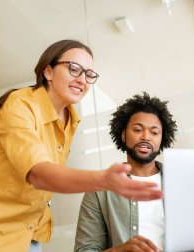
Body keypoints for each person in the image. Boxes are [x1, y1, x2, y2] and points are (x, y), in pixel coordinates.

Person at [0, 40, 162, 252]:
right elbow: (38, 174)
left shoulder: (70, 119)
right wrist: (103, 180)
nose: (82, 80)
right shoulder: (20, 105)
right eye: (74, 69)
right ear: (48, 71)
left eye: (89, 74)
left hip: (27, 237)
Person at [74, 92, 177, 252]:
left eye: (154, 132)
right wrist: (120, 250)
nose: (146, 137)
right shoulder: (99, 191)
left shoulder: (180, 183)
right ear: (123, 135)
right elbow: (84, 250)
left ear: (162, 139)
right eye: (137, 130)